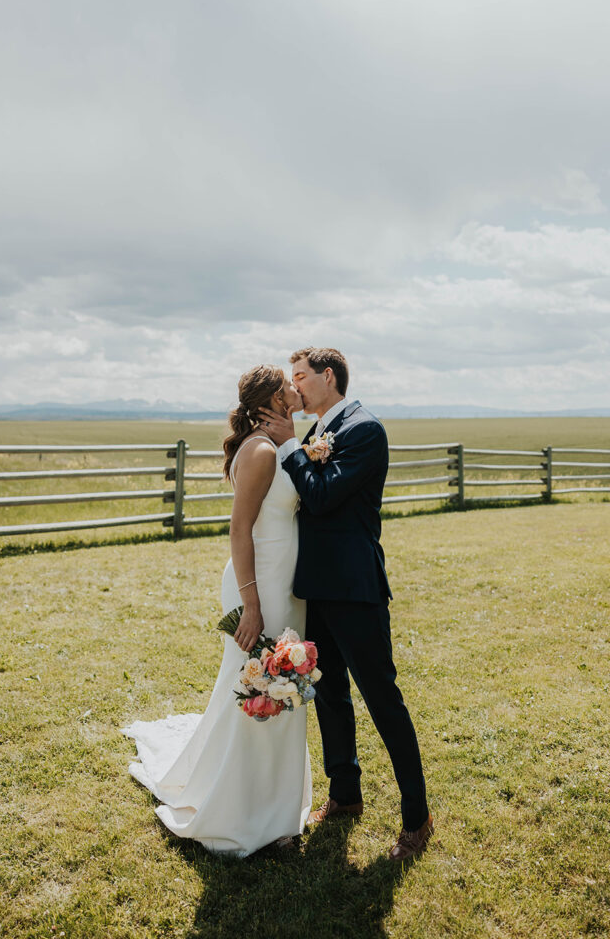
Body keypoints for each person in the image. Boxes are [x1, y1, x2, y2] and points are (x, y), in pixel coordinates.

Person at [122, 365, 311, 856]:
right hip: (261, 589)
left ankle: (274, 807)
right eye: (290, 384)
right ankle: (244, 813)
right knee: (258, 689)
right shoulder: (263, 451)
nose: (298, 387)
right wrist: (251, 604)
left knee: (280, 690)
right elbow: (239, 531)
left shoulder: (275, 443)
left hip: (283, 588)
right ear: (273, 397)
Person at [259, 346, 433, 862]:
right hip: (316, 586)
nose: (295, 389)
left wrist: (291, 445)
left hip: (356, 589)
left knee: (383, 700)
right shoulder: (312, 434)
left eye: (300, 378)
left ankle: (417, 818)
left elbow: (321, 496)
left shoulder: (364, 430)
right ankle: (345, 795)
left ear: (327, 376)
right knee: (329, 694)